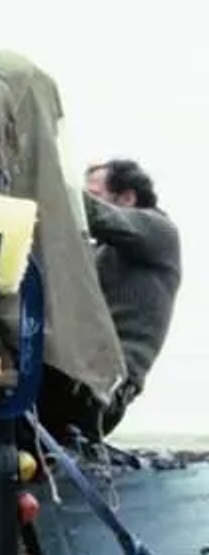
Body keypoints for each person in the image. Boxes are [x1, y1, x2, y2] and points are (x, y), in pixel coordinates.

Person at [82, 158, 183, 436]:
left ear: (127, 197)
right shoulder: (101, 251)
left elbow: (95, 215)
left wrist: (44, 180)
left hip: (104, 389)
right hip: (86, 378)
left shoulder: (159, 230)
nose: (88, 203)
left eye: (95, 196)